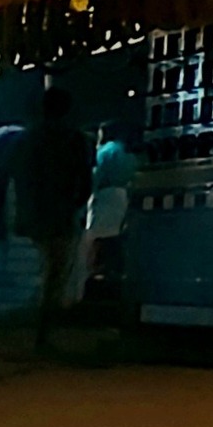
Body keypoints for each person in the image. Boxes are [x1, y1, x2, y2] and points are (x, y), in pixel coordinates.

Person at [2, 89, 95, 352]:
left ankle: (24, 330)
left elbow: (3, 177)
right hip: (59, 216)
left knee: (34, 273)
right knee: (54, 276)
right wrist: (73, 205)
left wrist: (0, 212)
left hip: (27, 215)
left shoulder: (23, 139)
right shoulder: (75, 140)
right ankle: (42, 333)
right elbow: (85, 182)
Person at [82, 121, 138, 304]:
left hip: (105, 196)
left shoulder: (105, 151)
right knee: (115, 237)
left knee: (96, 237)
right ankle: (114, 273)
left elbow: (96, 177)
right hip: (122, 195)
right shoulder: (127, 153)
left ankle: (94, 274)